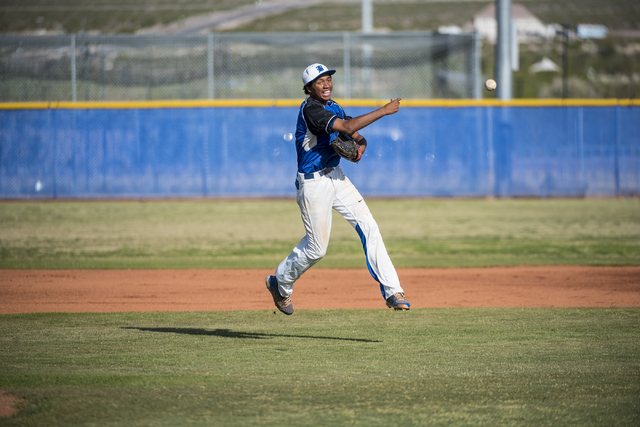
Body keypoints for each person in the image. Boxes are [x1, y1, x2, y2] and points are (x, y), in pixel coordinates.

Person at [265, 63, 410, 315]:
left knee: (368, 226)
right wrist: (384, 111)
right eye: (320, 81)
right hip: (313, 183)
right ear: (309, 88)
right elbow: (346, 128)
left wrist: (361, 143)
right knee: (316, 249)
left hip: (336, 176)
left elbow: (351, 127)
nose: (327, 84)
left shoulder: (333, 107)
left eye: (328, 79)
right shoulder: (311, 109)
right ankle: (281, 283)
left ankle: (393, 291)